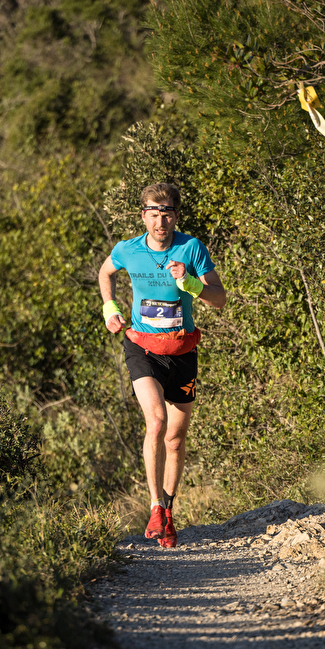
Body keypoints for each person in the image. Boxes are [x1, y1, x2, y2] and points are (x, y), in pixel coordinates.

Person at [98, 183, 227, 548]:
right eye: (153, 212)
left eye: (167, 212)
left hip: (182, 351)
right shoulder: (128, 249)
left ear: (176, 215)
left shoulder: (191, 248)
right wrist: (111, 309)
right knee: (156, 422)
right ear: (143, 215)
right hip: (142, 347)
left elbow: (219, 299)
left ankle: (168, 512)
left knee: (175, 438)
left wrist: (189, 283)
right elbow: (105, 273)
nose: (160, 220)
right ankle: (154, 506)